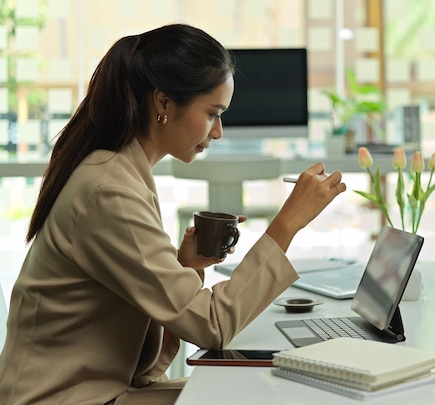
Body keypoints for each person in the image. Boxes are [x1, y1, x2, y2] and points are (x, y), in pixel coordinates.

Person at [0, 23, 346, 404]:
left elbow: (150, 320)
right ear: (163, 103)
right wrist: (287, 224)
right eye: (213, 113)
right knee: (269, 393)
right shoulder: (108, 189)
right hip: (64, 399)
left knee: (269, 388)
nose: (218, 133)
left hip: (98, 391)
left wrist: (181, 266)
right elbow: (211, 325)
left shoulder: (119, 172)